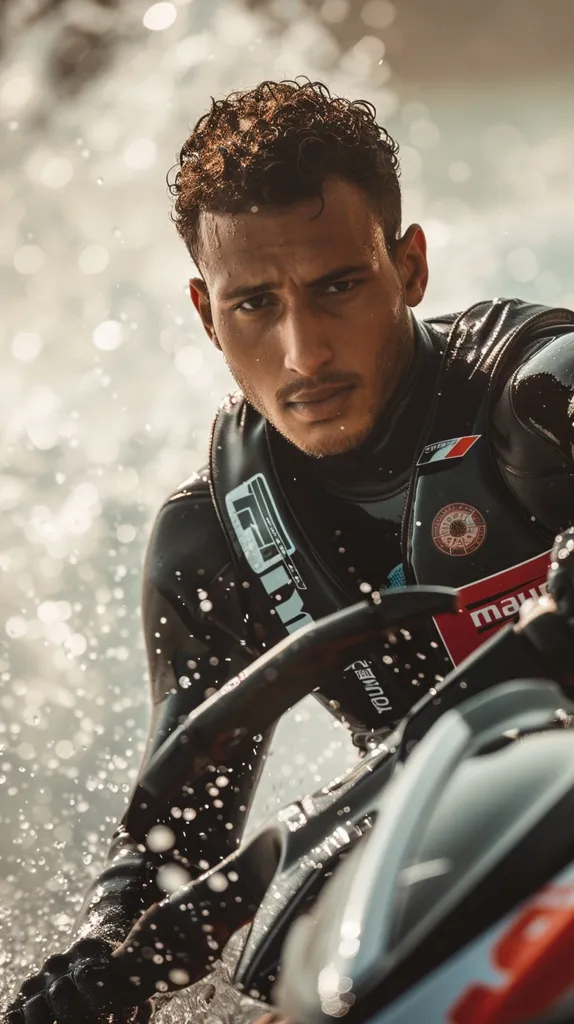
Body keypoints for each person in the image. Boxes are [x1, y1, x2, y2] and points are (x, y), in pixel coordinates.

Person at [5, 77, 574, 1023]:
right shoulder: (211, 541)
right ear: (205, 313)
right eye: (255, 305)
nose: (303, 353)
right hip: (455, 849)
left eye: (337, 286)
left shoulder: (538, 391)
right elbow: (175, 843)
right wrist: (103, 955)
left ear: (410, 267)